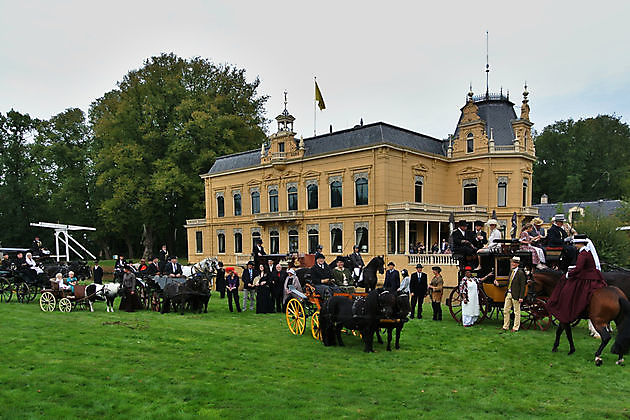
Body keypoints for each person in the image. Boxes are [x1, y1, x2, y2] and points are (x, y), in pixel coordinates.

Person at [546, 234, 607, 324]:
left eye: (575, 244)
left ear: (579, 244)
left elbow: (579, 269)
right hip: (592, 275)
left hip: (586, 277)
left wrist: (568, 274)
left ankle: (568, 307)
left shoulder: (583, 254)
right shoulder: (587, 252)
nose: (574, 246)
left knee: (568, 288)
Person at [497, 256, 527, 332]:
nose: (513, 264)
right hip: (509, 293)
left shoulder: (520, 273)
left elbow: (522, 286)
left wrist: (521, 297)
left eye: (515, 263)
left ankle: (515, 327)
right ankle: (505, 326)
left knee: (516, 312)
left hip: (516, 295)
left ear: (518, 264)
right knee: (506, 310)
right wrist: (499, 285)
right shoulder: (511, 271)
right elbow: (508, 283)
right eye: (512, 262)